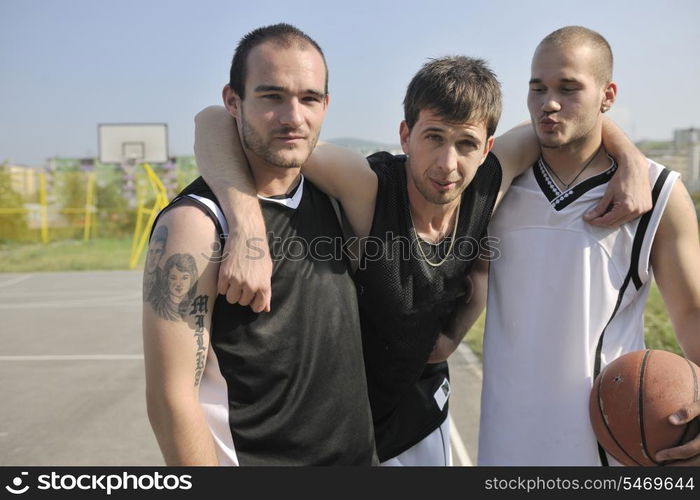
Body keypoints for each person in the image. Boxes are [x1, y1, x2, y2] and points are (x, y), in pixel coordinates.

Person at [194, 54, 651, 464]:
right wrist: (247, 225)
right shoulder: (368, 187)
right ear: (405, 135)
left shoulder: (487, 185)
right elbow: (215, 119)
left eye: (466, 144)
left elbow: (564, 121)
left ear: (487, 148)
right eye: (433, 138)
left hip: (418, 418)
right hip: (337, 425)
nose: (447, 164)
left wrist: (630, 158)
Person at [142, 23, 376, 466]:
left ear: (326, 105)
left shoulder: (338, 195)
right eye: (271, 97)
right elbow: (170, 400)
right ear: (233, 101)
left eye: (309, 98)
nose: (293, 117)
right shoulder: (196, 224)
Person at [478, 25, 700, 466]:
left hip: (609, 445)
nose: (549, 103)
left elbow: (692, 311)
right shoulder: (497, 184)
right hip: (503, 442)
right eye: (537, 88)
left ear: (608, 94)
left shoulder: (658, 193)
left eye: (569, 87)